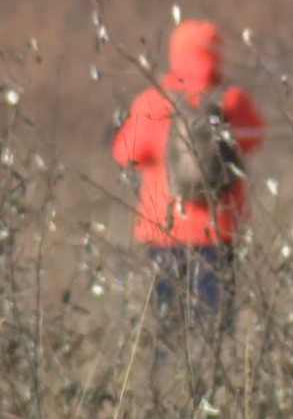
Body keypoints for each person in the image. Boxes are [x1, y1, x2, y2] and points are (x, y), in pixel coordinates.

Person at [111, 20, 266, 341]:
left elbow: (126, 153)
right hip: (218, 231)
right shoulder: (234, 101)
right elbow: (255, 139)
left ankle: (172, 383)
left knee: (169, 329)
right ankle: (216, 387)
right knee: (214, 329)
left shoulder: (154, 102)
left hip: (163, 232)